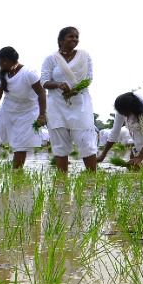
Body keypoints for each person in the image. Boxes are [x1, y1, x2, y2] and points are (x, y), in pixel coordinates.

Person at [40, 27, 98, 174]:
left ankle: (93, 178)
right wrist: (58, 84)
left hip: (80, 105)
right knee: (60, 145)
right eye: (70, 37)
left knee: (86, 142)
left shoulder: (85, 56)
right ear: (61, 40)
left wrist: (74, 91)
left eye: (76, 37)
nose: (74, 39)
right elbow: (44, 81)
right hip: (57, 106)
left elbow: (89, 78)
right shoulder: (51, 59)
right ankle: (62, 185)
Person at [0, 48, 47, 169]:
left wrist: (42, 115)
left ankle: (17, 173)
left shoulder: (29, 73)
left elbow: (42, 93)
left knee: (21, 145)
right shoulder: (2, 75)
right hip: (6, 110)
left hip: (27, 113)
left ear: (6, 61)